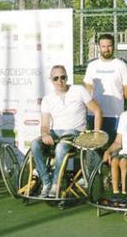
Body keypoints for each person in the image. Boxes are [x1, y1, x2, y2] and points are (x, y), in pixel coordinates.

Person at [31, 65, 103, 198]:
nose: (60, 81)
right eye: (56, 78)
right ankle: (46, 182)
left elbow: (97, 111)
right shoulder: (47, 99)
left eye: (63, 77)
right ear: (51, 80)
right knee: (35, 144)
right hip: (56, 132)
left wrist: (97, 134)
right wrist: (45, 134)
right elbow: (45, 125)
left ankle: (56, 184)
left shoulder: (79, 90)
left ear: (67, 77)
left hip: (76, 133)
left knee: (61, 147)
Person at [83, 34, 127, 140]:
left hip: (115, 115)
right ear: (99, 47)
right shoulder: (92, 66)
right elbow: (88, 88)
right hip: (95, 116)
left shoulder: (121, 65)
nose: (106, 49)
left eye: (109, 46)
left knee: (114, 147)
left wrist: (117, 101)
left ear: (113, 46)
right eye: (103, 46)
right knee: (95, 147)